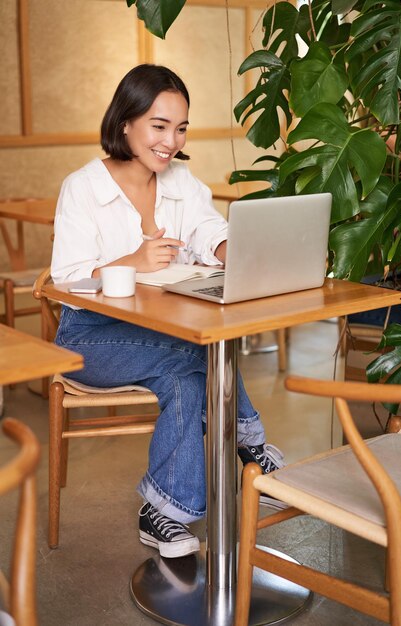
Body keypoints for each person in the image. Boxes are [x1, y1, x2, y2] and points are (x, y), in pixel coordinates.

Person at [51, 64, 286, 559]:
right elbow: (66, 280)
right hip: (88, 338)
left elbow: (207, 229)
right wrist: (131, 262)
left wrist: (229, 251)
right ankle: (250, 441)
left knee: (185, 376)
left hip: (163, 335)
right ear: (125, 123)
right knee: (194, 351)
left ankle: (165, 513)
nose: (171, 141)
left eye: (180, 128)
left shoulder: (182, 180)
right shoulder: (83, 188)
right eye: (159, 126)